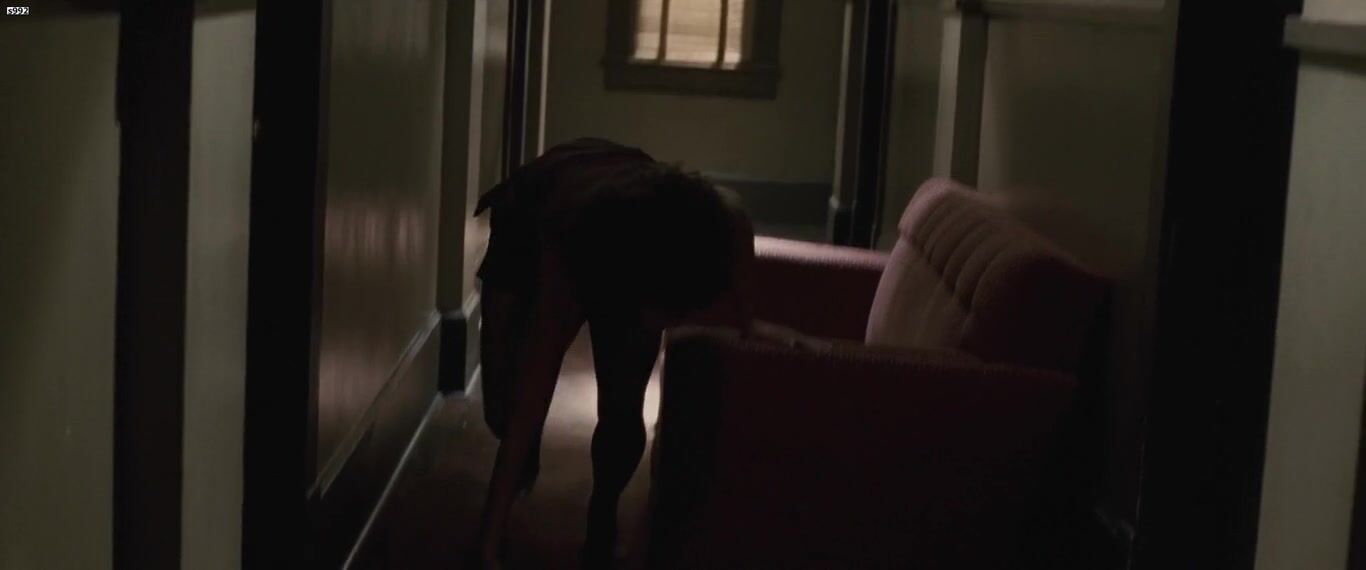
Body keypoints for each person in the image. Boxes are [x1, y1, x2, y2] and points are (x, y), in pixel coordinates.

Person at [472, 138, 756, 568]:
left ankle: (603, 513)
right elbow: (534, 390)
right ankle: (512, 485)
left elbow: (739, 258)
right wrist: (488, 541)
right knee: (504, 401)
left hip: (624, 208)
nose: (662, 326)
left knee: (623, 405)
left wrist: (754, 324)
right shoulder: (567, 253)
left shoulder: (720, 219)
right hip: (532, 211)